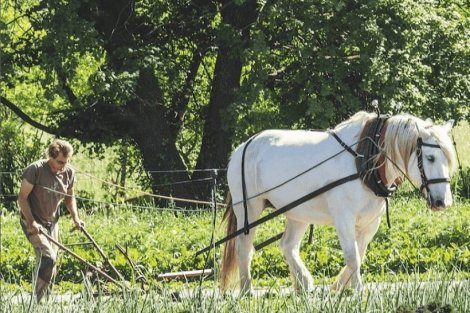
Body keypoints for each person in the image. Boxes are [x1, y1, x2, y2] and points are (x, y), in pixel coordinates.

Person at [17, 139, 84, 302]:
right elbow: (22, 198)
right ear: (51, 157)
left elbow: (69, 197)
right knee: (48, 258)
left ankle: (47, 299)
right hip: (33, 221)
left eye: (66, 162)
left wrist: (75, 218)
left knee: (53, 261)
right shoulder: (36, 170)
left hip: (52, 222)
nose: (62, 166)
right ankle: (37, 301)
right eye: (60, 162)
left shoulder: (68, 172)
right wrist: (31, 221)